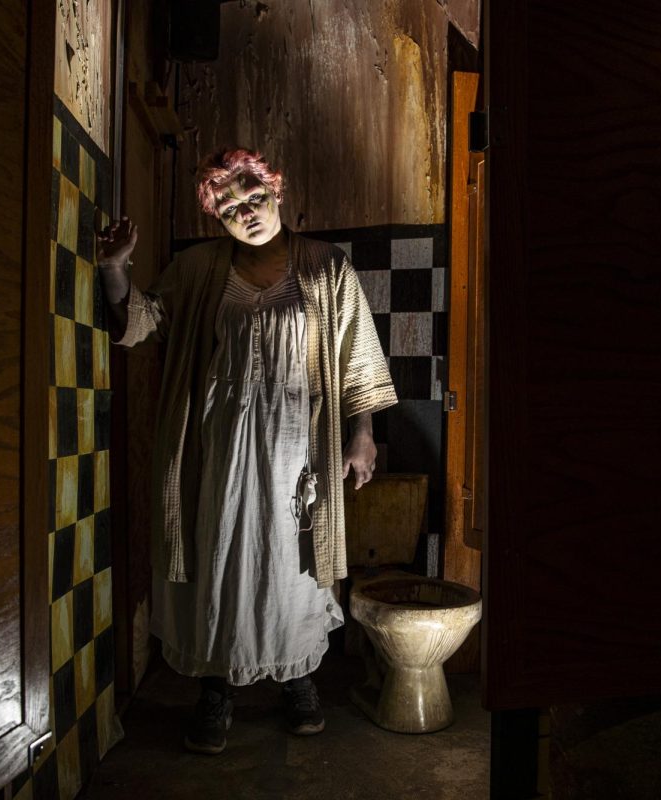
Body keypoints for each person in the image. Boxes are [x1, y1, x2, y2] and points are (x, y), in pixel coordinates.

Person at [95, 147, 396, 754]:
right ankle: (217, 685)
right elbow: (139, 324)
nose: (247, 213)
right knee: (221, 556)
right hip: (218, 447)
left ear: (276, 190)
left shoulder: (325, 266)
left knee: (294, 563)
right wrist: (114, 269)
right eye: (229, 208)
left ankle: (297, 679)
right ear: (215, 218)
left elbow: (355, 354)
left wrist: (362, 433)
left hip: (299, 445)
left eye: (254, 197)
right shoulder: (198, 268)